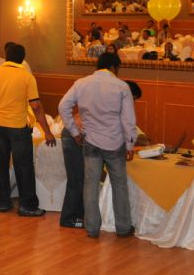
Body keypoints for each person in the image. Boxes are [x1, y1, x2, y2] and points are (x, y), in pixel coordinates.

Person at [58, 53, 136, 239]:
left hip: (90, 142)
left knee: (90, 185)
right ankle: (123, 227)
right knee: (119, 185)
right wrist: (130, 143)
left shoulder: (81, 83)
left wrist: (75, 132)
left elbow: (63, 106)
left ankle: (92, 228)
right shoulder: (121, 86)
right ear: (114, 67)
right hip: (115, 143)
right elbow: (128, 120)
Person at [0, 43, 55, 216]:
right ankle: (27, 206)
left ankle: (3, 202)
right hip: (18, 127)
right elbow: (36, 106)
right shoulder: (27, 77)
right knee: (23, 166)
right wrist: (47, 131)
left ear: (6, 57)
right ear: (22, 59)